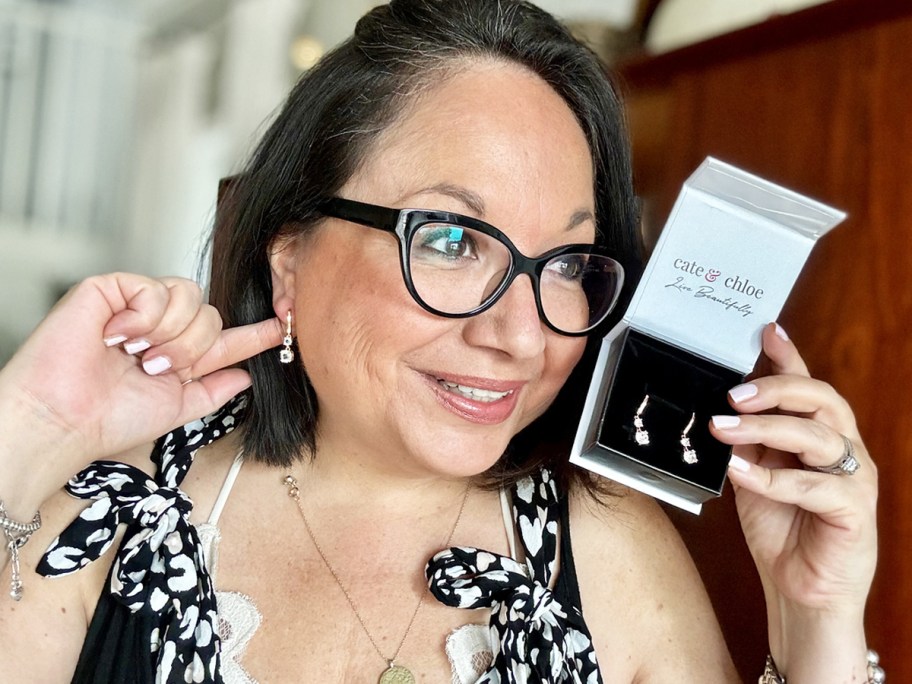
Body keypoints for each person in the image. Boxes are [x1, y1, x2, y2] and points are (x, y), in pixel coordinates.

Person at [0, 0, 880, 682]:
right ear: (290, 257)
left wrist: (818, 619)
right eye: (453, 240)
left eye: (569, 262)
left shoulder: (609, 552)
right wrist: (25, 432)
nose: (521, 334)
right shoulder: (107, 516)